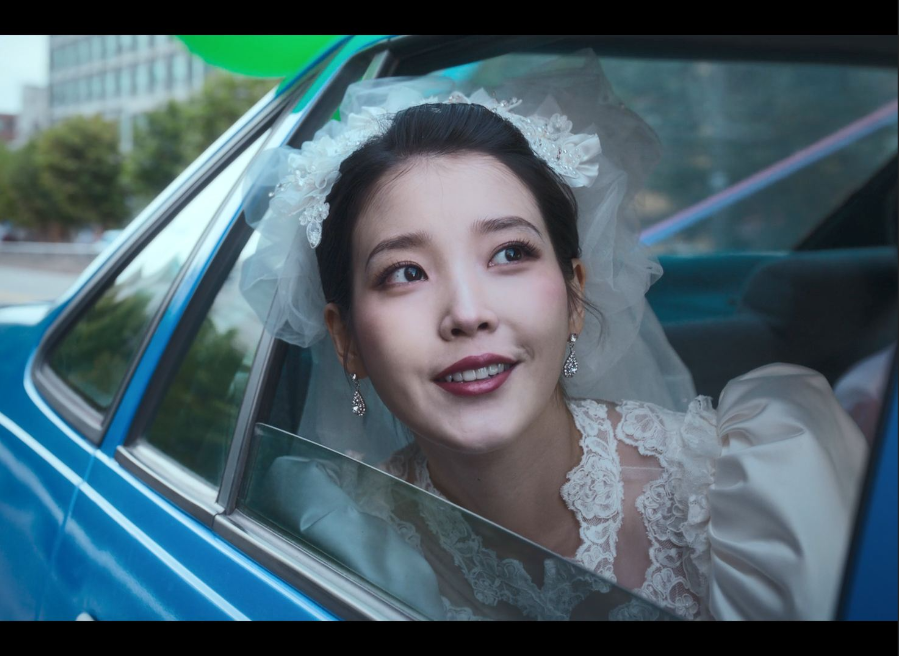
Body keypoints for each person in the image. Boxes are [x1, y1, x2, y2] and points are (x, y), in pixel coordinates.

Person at [239, 52, 868, 620]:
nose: (468, 313)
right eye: (405, 272)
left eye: (510, 253)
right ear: (346, 338)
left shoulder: (754, 491)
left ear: (574, 296)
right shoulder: (337, 531)